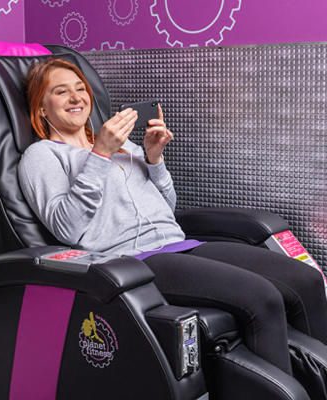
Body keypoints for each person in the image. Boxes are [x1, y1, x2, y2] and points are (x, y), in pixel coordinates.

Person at [18, 57, 327, 376]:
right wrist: (100, 154)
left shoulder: (122, 144)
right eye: (61, 91)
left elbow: (167, 208)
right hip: (135, 260)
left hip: (180, 244)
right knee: (262, 298)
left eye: (80, 88)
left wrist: (154, 158)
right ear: (42, 108)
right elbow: (67, 227)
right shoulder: (42, 156)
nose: (76, 97)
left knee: (306, 279)